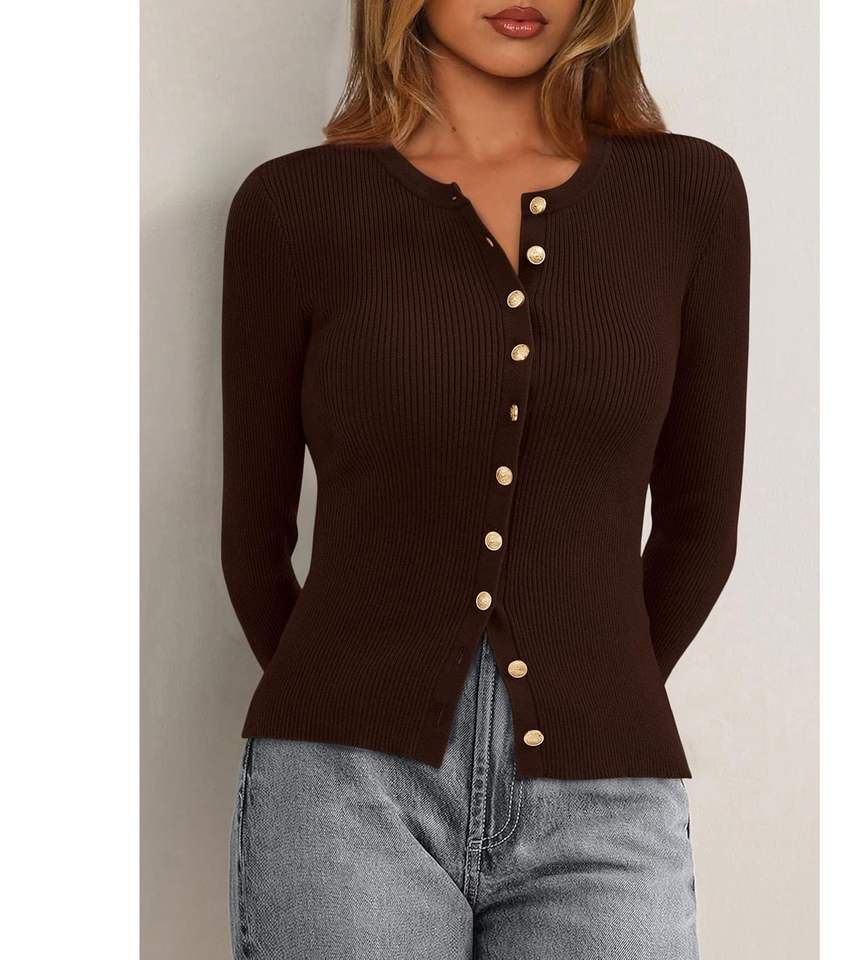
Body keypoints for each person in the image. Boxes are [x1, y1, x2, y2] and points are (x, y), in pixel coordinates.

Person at [220, 1, 750, 957]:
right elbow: (252, 541)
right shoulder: (293, 206)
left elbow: (701, 526)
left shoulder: (688, 193)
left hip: (605, 802)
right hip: (343, 791)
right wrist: (348, 702)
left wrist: (596, 689)